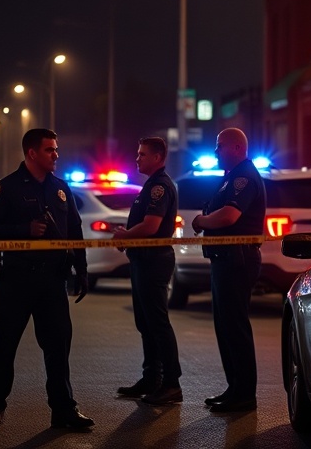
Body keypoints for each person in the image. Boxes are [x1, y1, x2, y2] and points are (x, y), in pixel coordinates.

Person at [0, 128, 94, 430]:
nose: (56, 155)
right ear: (32, 153)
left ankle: (64, 410)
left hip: (52, 281)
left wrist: (81, 270)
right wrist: (24, 229)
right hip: (15, 281)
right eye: (50, 150)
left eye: (56, 149)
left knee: (58, 348)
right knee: (5, 346)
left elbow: (75, 231)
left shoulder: (60, 188)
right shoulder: (7, 188)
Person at [190, 127, 266, 413]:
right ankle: (235, 388)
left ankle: (244, 393)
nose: (215, 152)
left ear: (236, 148)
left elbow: (230, 215)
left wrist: (201, 220)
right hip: (225, 259)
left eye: (219, 146)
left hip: (237, 259)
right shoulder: (232, 177)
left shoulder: (243, 177)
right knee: (225, 326)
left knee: (234, 326)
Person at [112, 137, 183, 405]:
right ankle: (152, 378)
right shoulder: (151, 185)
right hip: (143, 260)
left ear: (157, 157)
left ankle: (171, 383)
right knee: (145, 322)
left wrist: (126, 235)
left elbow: (152, 226)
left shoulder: (159, 187)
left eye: (142, 154)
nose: (137, 158)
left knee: (157, 322)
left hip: (154, 261)